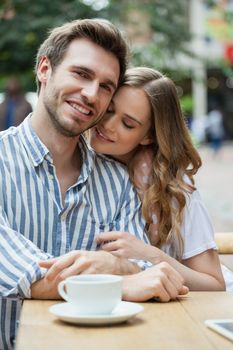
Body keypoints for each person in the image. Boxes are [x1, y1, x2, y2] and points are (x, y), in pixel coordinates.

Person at [0, 20, 187, 350]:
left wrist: (115, 265)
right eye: (81, 74)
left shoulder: (116, 180)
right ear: (45, 69)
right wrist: (119, 281)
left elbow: (147, 272)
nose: (91, 94)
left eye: (106, 86)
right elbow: (21, 271)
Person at [89, 67, 225, 291]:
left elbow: (215, 284)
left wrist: (149, 254)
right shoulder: (81, 164)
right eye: (109, 110)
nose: (108, 125)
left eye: (128, 124)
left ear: (149, 136)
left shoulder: (174, 190)